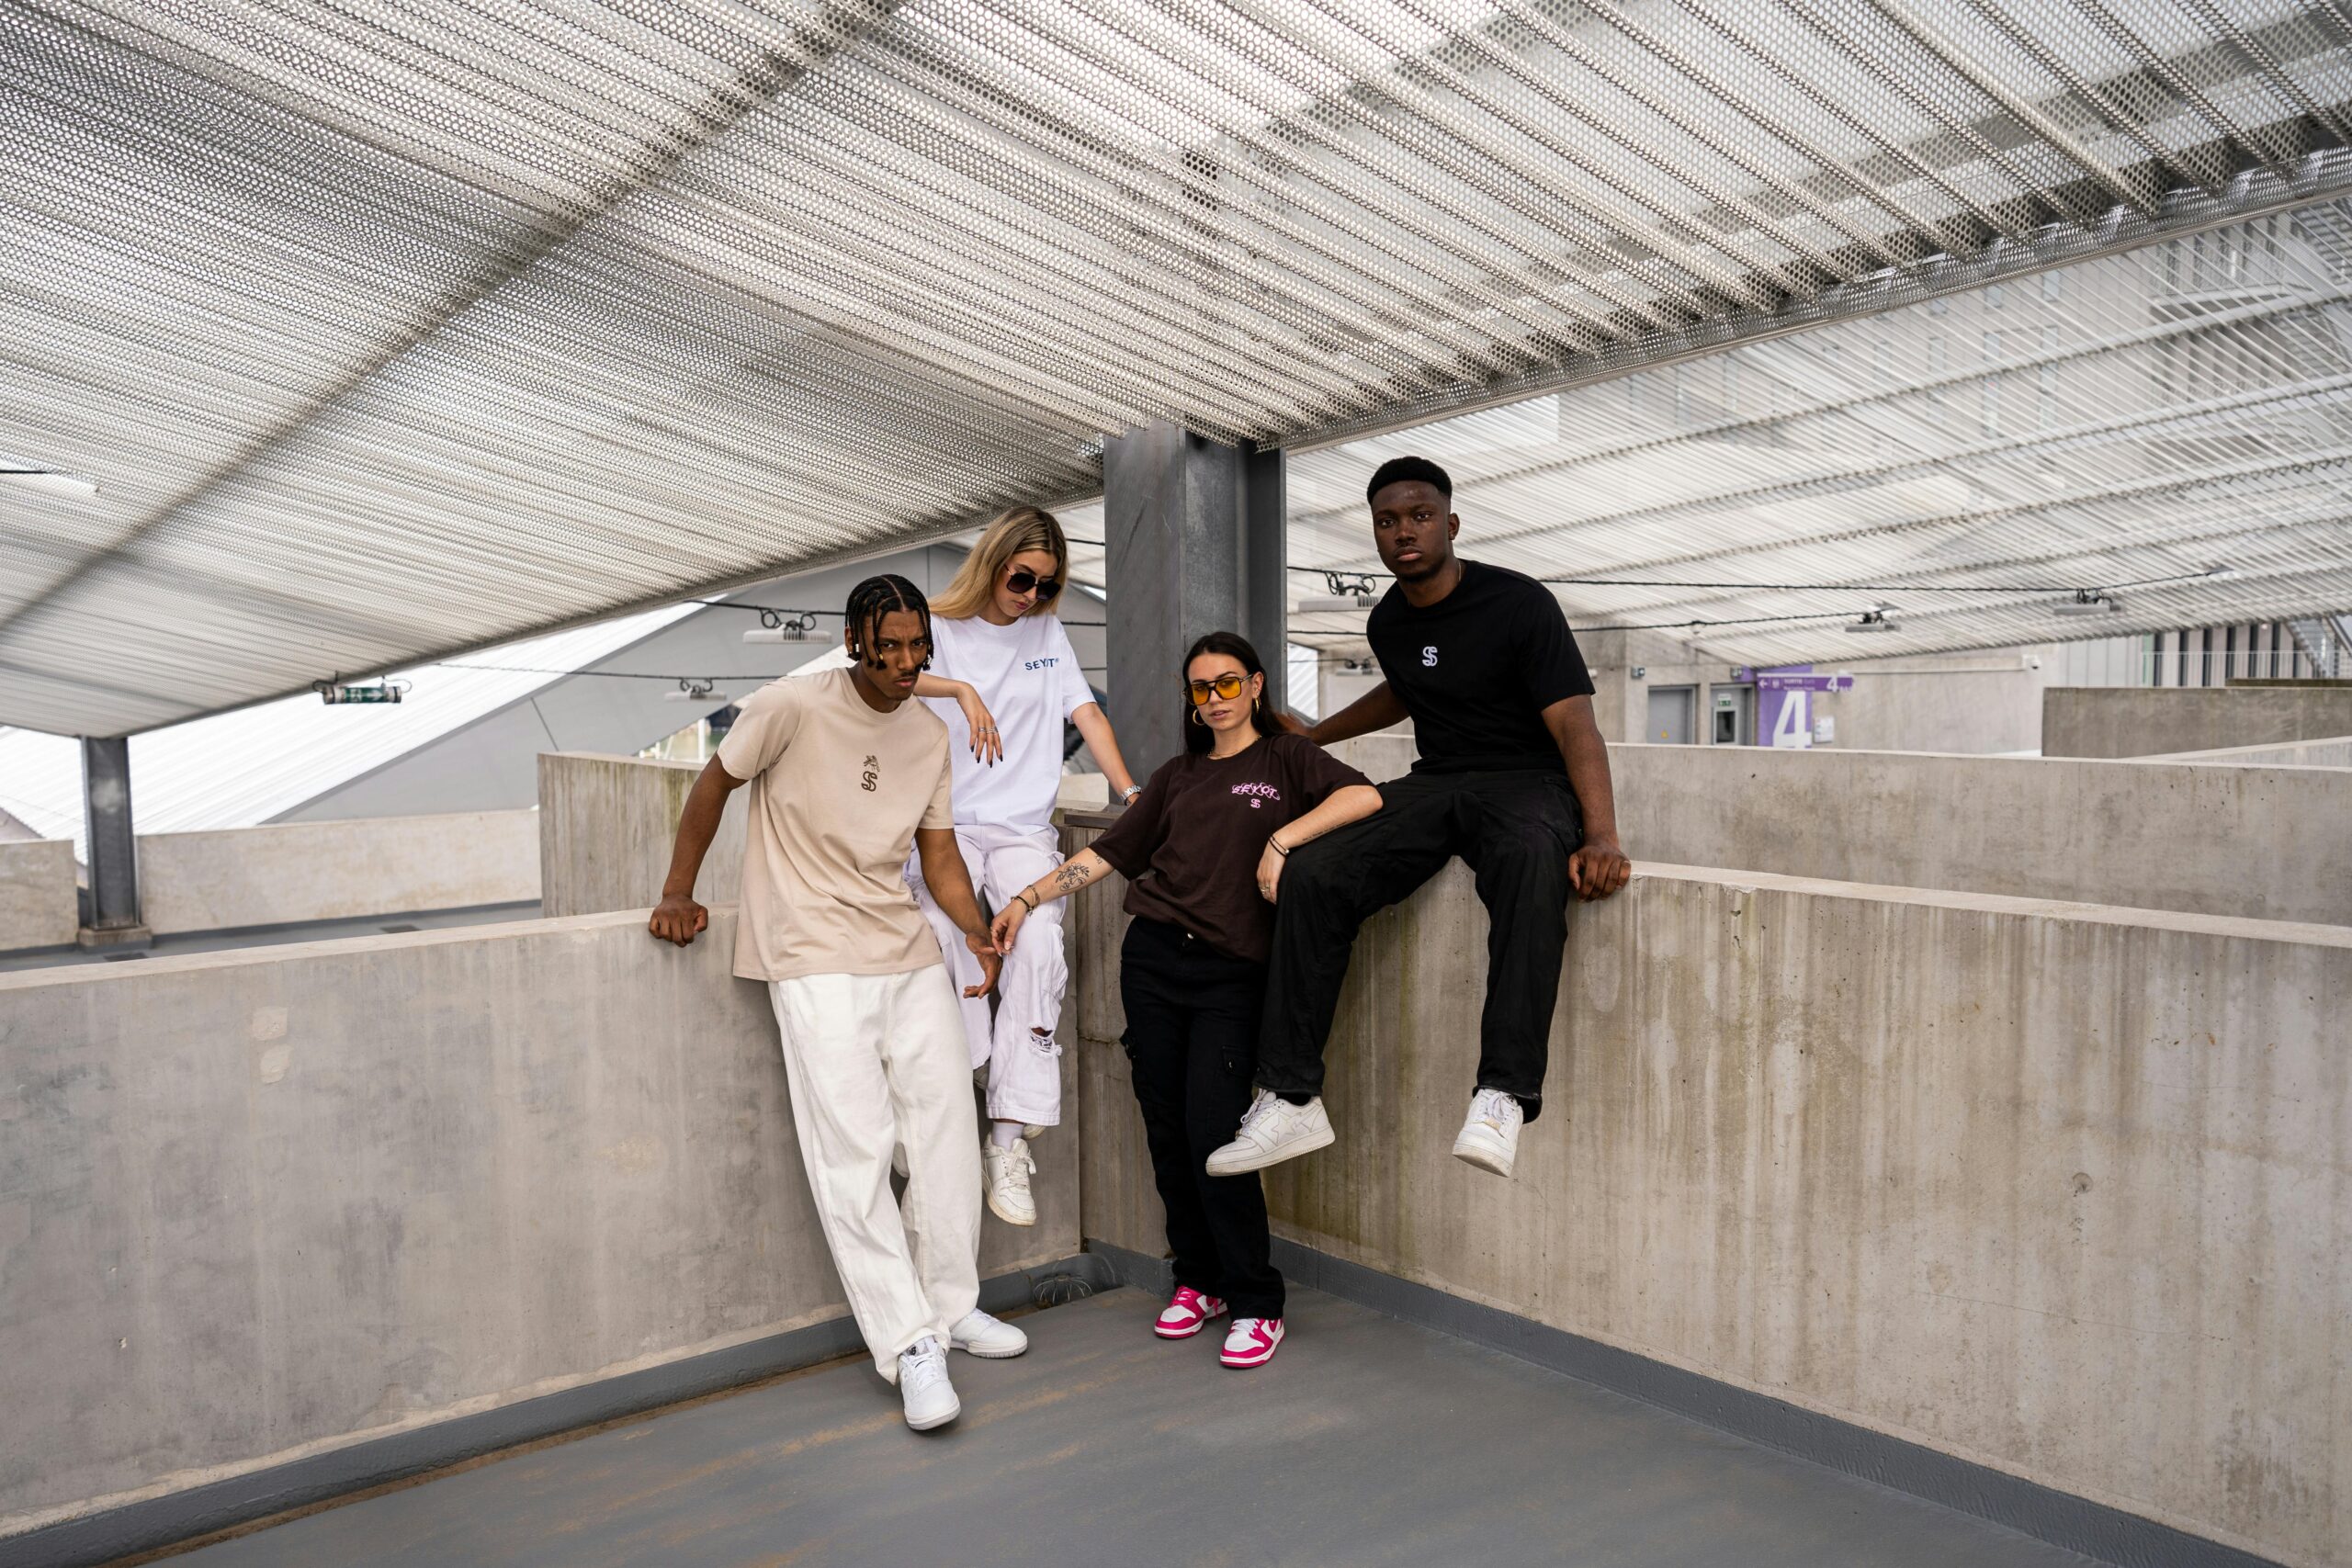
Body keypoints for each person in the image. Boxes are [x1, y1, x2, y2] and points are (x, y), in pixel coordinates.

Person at [648, 573, 1030, 1433]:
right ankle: (908, 1345)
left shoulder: (931, 734)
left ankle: (951, 1305)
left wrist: (975, 931)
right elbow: (713, 785)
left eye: (915, 645)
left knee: (941, 1130)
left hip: (903, 948)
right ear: (856, 641)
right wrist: (679, 891)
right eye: (887, 645)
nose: (903, 662)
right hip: (811, 954)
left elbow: (937, 860)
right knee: (854, 1150)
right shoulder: (790, 703)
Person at [1205, 457, 1634, 1183]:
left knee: (1533, 863)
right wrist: (1314, 736)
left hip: (1526, 782)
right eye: (1387, 520)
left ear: (1451, 523)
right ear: (1375, 533)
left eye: (1420, 516)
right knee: (1316, 871)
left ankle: (1503, 1093)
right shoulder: (1389, 620)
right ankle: (1292, 1093)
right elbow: (1403, 692)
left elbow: (1575, 726)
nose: (1404, 530)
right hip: (1437, 781)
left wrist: (1601, 835)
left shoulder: (1521, 603)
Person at [992, 632, 1380, 1370]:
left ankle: (1257, 1299)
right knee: (1167, 1129)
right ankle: (1198, 1279)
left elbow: (1365, 795)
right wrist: (1025, 898)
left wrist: (1282, 841)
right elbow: (1105, 856)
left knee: (1217, 1135)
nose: (1214, 700)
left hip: (1233, 973)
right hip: (1153, 962)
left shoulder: (1288, 761)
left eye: (1228, 684)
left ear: (1257, 685)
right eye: (1200, 689)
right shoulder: (1176, 776)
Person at [907, 506, 1140, 1229]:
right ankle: (978, 1071)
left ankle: (1007, 1134)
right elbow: (889, 679)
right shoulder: (939, 629)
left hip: (1020, 829)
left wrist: (1132, 793)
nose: (1033, 594)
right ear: (994, 562)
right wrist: (961, 691)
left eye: (1047, 583)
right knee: (939, 938)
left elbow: (1089, 715)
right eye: (1022, 578)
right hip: (942, 821)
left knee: (1038, 940)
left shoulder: (1047, 631)